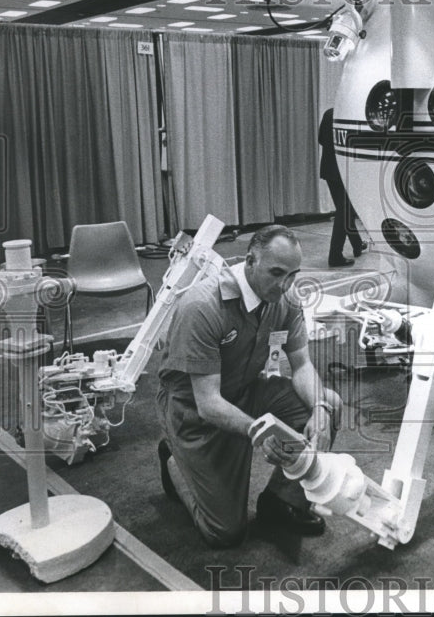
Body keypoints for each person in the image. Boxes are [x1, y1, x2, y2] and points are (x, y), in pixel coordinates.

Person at [155, 225, 341, 547]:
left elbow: (302, 366)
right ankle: (174, 460)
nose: (285, 285)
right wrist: (264, 433)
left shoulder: (286, 300)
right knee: (224, 533)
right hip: (194, 414)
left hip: (246, 393)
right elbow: (209, 403)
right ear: (250, 260)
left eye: (293, 275)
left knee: (329, 403)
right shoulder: (202, 307)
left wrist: (320, 409)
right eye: (277, 273)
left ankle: (280, 502)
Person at [319, 108, 367, 267]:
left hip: (328, 168)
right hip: (346, 171)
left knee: (344, 211)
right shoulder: (354, 114)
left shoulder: (328, 113)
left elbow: (321, 139)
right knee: (344, 212)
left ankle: (357, 244)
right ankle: (335, 255)